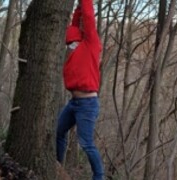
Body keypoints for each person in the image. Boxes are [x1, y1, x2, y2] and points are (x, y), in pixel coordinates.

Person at [56, 0, 104, 179]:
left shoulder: (90, 43)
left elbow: (89, 17)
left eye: (73, 43)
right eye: (70, 45)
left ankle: (98, 176)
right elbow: (75, 23)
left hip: (87, 103)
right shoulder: (73, 43)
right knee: (59, 132)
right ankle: (57, 167)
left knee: (86, 143)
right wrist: (77, 8)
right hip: (74, 103)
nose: (71, 47)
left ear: (79, 37)